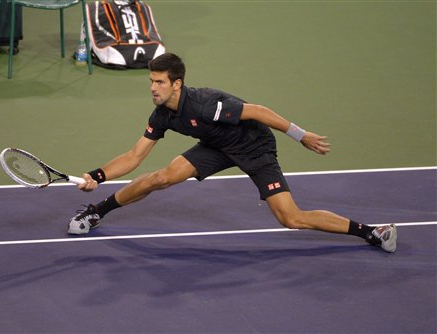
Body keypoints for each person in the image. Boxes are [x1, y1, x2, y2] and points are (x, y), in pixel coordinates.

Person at [68, 53, 397, 253]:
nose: (153, 87)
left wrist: (300, 135)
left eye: (159, 82)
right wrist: (97, 176)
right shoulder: (162, 114)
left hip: (255, 148)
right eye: (151, 81)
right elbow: (134, 155)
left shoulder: (205, 104)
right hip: (216, 147)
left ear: (177, 84)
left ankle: (371, 232)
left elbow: (258, 111)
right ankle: (98, 211)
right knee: (160, 177)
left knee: (290, 218)